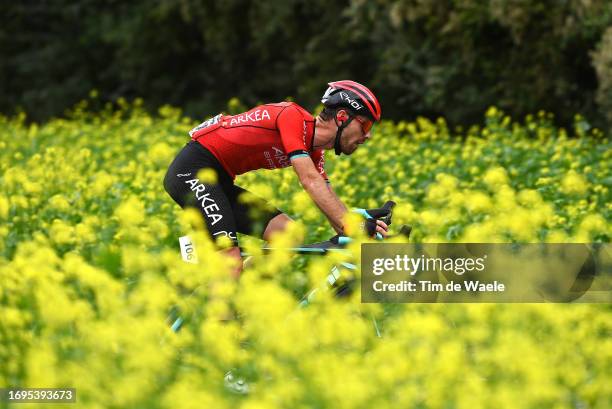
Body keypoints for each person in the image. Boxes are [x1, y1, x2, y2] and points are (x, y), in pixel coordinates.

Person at [163, 80, 388, 276]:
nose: (368, 135)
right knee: (229, 259)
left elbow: (327, 199)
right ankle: (221, 322)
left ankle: (236, 292)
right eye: (365, 125)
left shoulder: (315, 152)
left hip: (218, 181)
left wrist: (361, 225)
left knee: (289, 235)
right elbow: (310, 180)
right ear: (341, 117)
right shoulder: (292, 116)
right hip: (192, 170)